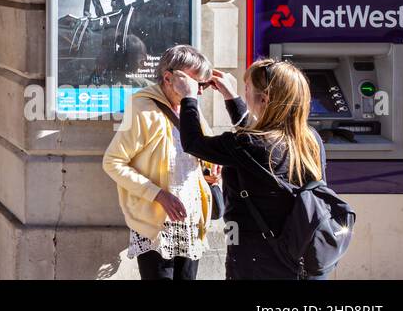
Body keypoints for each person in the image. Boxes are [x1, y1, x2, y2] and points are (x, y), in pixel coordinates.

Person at [172, 58, 328, 280]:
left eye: (247, 89)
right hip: (301, 254)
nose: (244, 92)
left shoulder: (247, 144)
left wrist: (189, 98)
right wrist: (231, 98)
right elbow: (258, 142)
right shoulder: (310, 139)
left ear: (263, 99)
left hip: (256, 260)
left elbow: (194, 143)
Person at [102, 45, 217, 280]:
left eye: (202, 85)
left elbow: (202, 152)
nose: (200, 91)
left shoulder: (190, 108)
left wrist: (211, 170)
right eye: (197, 83)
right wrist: (157, 194)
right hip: (157, 226)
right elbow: (113, 162)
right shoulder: (141, 109)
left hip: (191, 220)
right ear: (168, 78)